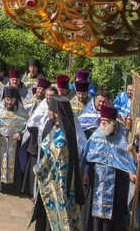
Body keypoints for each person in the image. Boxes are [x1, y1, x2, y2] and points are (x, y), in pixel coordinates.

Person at [32, 96, 85, 231]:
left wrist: (36, 169)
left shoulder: (60, 139)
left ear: (56, 113)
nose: (48, 113)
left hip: (56, 184)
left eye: (50, 110)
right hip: (66, 183)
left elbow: (47, 162)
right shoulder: (67, 130)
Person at [80, 106, 137, 231]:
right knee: (92, 210)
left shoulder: (121, 140)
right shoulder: (96, 135)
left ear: (114, 122)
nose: (103, 122)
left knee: (114, 214)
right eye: (102, 120)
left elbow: (126, 161)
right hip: (96, 180)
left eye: (106, 120)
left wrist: (131, 173)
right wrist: (85, 172)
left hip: (116, 182)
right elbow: (88, 157)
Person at [21, 86, 58, 198]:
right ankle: (33, 193)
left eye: (51, 96)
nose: (48, 98)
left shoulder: (58, 109)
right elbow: (32, 122)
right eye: (47, 96)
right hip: (36, 146)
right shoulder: (41, 107)